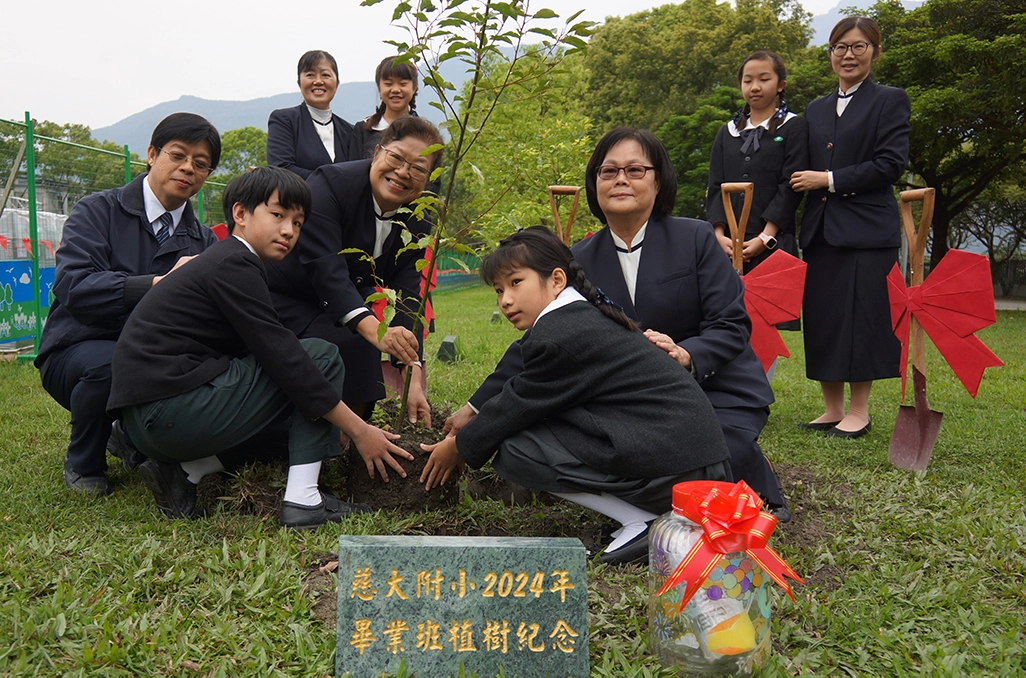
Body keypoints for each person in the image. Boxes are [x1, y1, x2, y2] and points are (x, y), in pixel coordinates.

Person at [447, 128, 791, 523]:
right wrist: (475, 406)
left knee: (715, 449)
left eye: (635, 170)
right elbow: (539, 346)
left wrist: (685, 353)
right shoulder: (578, 260)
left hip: (715, 383)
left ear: (658, 181)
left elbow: (730, 325)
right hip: (629, 397)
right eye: (608, 171)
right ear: (594, 185)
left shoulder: (695, 238)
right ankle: (638, 513)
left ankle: (753, 497)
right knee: (576, 435)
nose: (621, 179)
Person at [107, 167, 413, 528]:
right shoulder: (233, 263)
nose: (289, 231)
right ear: (240, 214)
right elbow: (285, 358)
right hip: (168, 411)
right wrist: (361, 431)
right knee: (319, 357)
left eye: (299, 223)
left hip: (155, 421)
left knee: (301, 420)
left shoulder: (233, 262)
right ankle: (303, 501)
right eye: (278, 215)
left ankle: (185, 473)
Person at [421, 226, 731, 565]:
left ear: (556, 280)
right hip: (688, 459)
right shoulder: (576, 317)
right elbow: (519, 379)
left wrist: (459, 446)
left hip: (683, 472)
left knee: (516, 449)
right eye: (498, 290)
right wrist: (473, 410)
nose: (505, 299)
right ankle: (638, 514)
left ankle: (641, 522)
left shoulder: (560, 334)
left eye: (515, 283)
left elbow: (517, 404)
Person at [36, 112, 221, 495]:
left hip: (157, 359)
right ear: (152, 154)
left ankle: (131, 440)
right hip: (77, 350)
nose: (188, 168)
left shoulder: (204, 242)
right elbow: (74, 285)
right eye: (178, 155)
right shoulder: (97, 211)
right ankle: (84, 460)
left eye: (201, 164)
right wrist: (158, 284)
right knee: (111, 363)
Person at [266, 116, 443, 423]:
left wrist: (412, 372)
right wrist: (376, 331)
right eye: (396, 158)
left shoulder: (418, 216)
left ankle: (348, 442)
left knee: (362, 346)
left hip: (345, 304)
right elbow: (327, 269)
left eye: (418, 168)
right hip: (287, 297)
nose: (402, 173)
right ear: (377, 153)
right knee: (349, 343)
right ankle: (314, 439)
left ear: (427, 180)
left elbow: (409, 292)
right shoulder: (330, 184)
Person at [789, 17, 911, 439]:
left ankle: (859, 411)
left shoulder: (890, 100)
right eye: (840, 47)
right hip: (821, 231)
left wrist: (828, 179)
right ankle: (831, 407)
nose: (848, 55)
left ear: (876, 53)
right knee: (824, 316)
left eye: (859, 47)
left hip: (867, 231)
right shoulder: (816, 108)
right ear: (830, 54)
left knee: (862, 318)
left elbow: (890, 164)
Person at [707, 51, 808, 275]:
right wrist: (719, 236)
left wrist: (765, 237)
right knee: (728, 309)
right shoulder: (727, 132)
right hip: (728, 247)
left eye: (764, 79)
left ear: (781, 84)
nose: (755, 87)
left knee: (773, 309)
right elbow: (715, 187)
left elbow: (790, 187)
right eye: (748, 80)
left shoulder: (794, 127)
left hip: (775, 243)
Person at [266, 50, 354, 179]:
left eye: (325, 75)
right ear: (299, 83)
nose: (318, 81)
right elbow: (281, 168)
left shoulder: (350, 131)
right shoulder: (284, 120)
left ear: (337, 83)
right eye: (310, 75)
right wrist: (332, 181)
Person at [348, 56, 420, 160]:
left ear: (414, 88)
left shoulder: (423, 132)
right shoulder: (363, 130)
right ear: (379, 87)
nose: (395, 89)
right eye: (388, 84)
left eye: (403, 84)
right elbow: (353, 172)